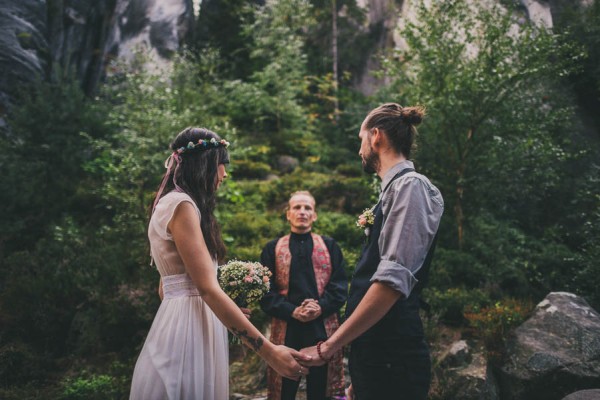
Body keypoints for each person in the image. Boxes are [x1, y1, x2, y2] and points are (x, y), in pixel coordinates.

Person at [130, 127, 311, 400]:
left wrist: (223, 310)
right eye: (221, 165)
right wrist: (269, 352)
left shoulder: (167, 204)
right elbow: (207, 289)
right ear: (203, 165)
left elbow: (166, 289)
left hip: (180, 321)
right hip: (189, 332)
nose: (224, 174)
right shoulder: (182, 205)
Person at [300, 103, 444, 400]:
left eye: (360, 139)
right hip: (377, 359)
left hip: (394, 360)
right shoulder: (393, 191)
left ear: (376, 136)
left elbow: (391, 283)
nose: (359, 150)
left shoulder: (410, 187)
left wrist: (328, 348)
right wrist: (361, 375)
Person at [260, 191, 348, 400]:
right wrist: (293, 311)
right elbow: (266, 293)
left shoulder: (330, 246)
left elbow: (340, 287)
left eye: (307, 208)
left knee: (321, 391)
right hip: (287, 329)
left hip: (322, 330)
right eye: (297, 207)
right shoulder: (272, 249)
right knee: (284, 391)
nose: (302, 212)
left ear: (314, 215)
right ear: (288, 214)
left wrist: (320, 307)